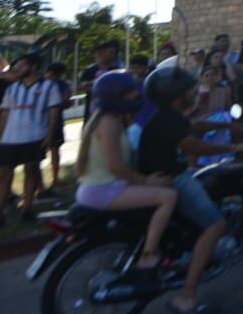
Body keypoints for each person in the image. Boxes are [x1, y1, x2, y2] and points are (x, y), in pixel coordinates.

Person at [137, 61, 243, 314]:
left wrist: (225, 127)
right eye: (190, 90)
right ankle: (186, 297)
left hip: (167, 177)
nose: (195, 92)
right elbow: (192, 146)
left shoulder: (168, 116)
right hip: (173, 180)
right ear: (176, 96)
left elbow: (194, 127)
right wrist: (233, 150)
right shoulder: (167, 119)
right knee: (215, 226)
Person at [74, 71, 177, 275]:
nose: (134, 96)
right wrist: (145, 181)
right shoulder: (109, 123)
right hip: (103, 190)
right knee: (169, 196)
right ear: (117, 96)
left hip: (99, 187)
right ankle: (147, 256)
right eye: (130, 93)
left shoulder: (105, 118)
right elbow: (116, 166)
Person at [0, 52, 64, 231]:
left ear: (33, 67)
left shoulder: (49, 87)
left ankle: (27, 208)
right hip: (10, 138)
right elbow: (4, 113)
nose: (17, 69)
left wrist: (49, 135)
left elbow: (53, 112)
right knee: (4, 174)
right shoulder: (12, 89)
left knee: (31, 171)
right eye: (16, 66)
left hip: (34, 136)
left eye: (21, 65)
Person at [41, 62, 72, 194]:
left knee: (39, 154)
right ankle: (55, 177)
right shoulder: (63, 85)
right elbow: (66, 102)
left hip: (41, 121)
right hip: (56, 121)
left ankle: (40, 183)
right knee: (55, 151)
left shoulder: (41, 84)